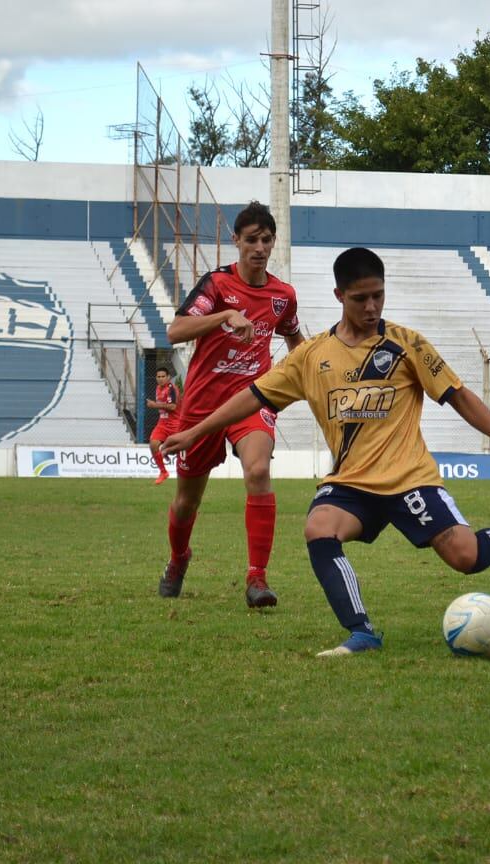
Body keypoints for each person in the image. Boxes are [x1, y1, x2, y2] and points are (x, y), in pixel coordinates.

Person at [164, 247, 490, 656]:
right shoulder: (312, 356)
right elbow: (254, 396)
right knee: (319, 527)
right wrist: (195, 431)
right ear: (339, 297)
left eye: (378, 296)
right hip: (351, 483)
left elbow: (459, 396)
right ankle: (362, 632)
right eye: (360, 299)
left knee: (466, 557)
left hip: (410, 479)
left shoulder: (407, 344)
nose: (371, 307)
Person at [158, 201, 305, 606]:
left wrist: (305, 373)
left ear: (273, 243)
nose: (259, 247)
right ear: (236, 241)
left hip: (252, 400)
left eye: (266, 239)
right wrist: (225, 315)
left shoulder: (282, 295)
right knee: (187, 502)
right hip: (202, 406)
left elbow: (295, 341)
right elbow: (176, 330)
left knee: (258, 470)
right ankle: (178, 558)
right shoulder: (217, 285)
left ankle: (257, 578)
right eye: (251, 239)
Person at [146, 367, 180, 485]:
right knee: (153, 445)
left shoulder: (171, 389)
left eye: (163, 376)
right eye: (158, 377)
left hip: (174, 424)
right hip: (162, 423)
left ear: (168, 377)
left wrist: (155, 405)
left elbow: (173, 407)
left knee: (179, 449)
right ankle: (163, 472)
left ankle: (166, 450)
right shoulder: (157, 388)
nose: (160, 379)